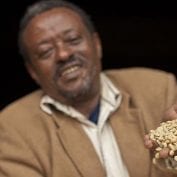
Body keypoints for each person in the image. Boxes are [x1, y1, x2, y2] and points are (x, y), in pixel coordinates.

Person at [0, 0, 177, 177]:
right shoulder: (12, 127)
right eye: (46, 51)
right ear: (32, 71)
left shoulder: (159, 88)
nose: (63, 54)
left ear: (97, 44)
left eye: (73, 40)